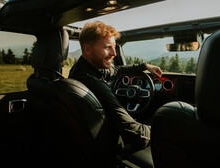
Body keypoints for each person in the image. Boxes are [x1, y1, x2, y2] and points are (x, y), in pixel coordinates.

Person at [69, 21, 162, 150]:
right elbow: (135, 134)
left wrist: (145, 66)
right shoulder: (94, 83)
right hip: (110, 147)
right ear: (87, 49)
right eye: (107, 47)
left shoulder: (81, 70)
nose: (114, 53)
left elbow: (117, 71)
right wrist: (163, 130)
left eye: (114, 47)